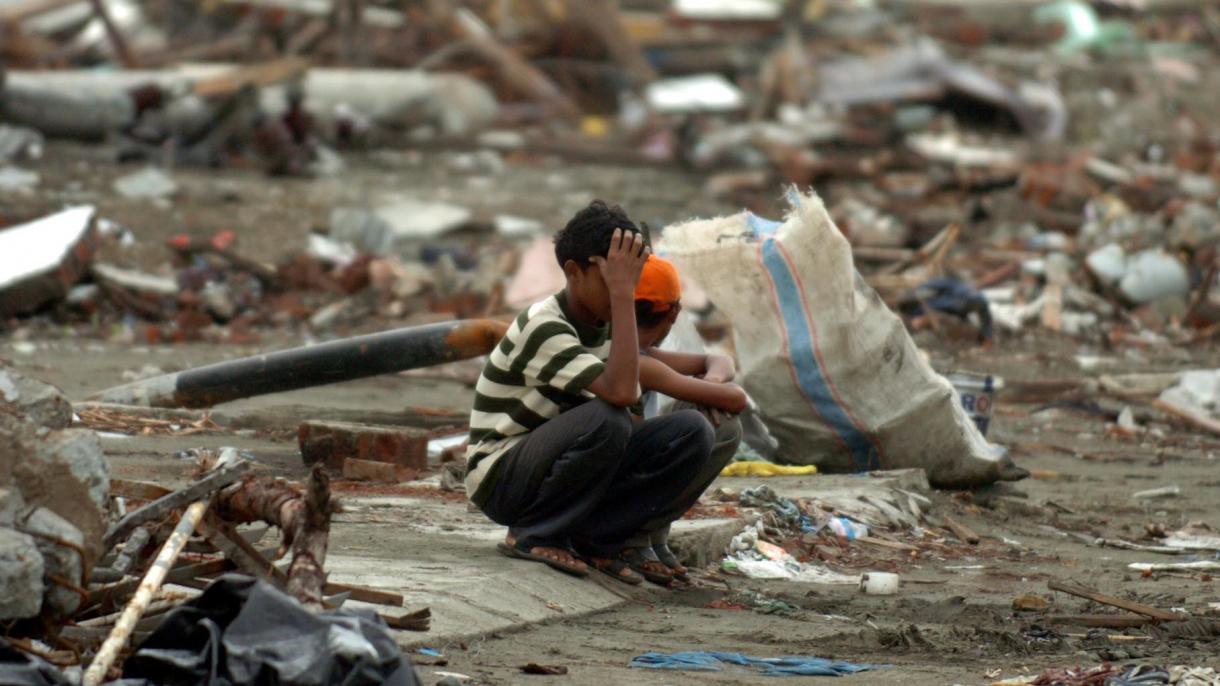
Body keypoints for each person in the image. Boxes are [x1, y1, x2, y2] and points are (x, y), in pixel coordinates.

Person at [464, 200, 715, 584]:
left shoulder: (612, 324)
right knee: (606, 419)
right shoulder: (544, 325)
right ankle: (534, 535)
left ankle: (598, 539)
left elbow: (635, 406)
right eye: (613, 279)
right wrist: (621, 295)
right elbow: (618, 393)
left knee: (692, 431)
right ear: (574, 272)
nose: (627, 290)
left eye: (632, 278)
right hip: (503, 475)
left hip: (557, 466)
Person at [619, 255, 747, 583]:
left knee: (717, 420)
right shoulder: (631, 355)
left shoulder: (641, 349)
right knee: (705, 425)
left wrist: (710, 385)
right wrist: (712, 392)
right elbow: (736, 398)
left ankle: (652, 533)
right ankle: (631, 536)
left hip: (619, 463)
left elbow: (717, 360)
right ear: (674, 314)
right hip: (609, 472)